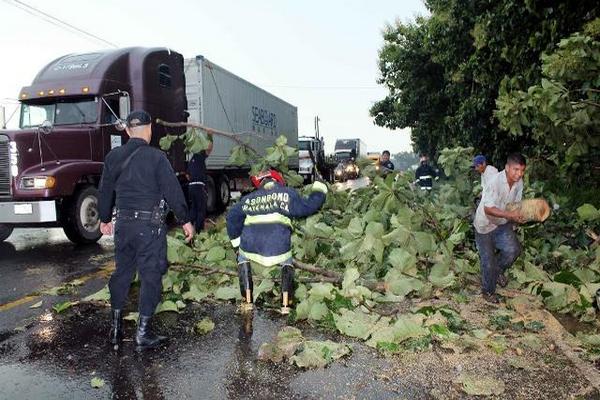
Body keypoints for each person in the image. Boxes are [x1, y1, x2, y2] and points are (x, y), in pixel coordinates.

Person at [98, 110, 195, 350]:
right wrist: (185, 219)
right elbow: (172, 190)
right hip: (148, 228)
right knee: (151, 276)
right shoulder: (156, 157)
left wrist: (104, 218)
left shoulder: (113, 157)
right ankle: (142, 334)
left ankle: (116, 330)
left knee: (122, 273)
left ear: (128, 131)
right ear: (149, 129)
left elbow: (105, 190)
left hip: (123, 226)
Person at [226, 169, 327, 314]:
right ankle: (286, 304)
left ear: (260, 184)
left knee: (242, 257)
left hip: (251, 249)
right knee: (287, 261)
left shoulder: (248, 199)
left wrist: (237, 246)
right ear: (278, 181)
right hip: (279, 250)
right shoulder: (287, 194)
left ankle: (247, 301)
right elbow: (309, 206)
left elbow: (231, 219)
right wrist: (320, 187)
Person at [473, 153, 526, 303]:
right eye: (516, 170)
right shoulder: (494, 181)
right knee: (488, 261)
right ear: (507, 168)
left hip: (502, 223)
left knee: (514, 250)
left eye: (522, 170)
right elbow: (488, 209)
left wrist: (517, 218)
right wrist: (510, 215)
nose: (519, 174)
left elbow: (515, 204)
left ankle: (496, 272)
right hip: (484, 225)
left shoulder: (519, 182)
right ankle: (488, 292)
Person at [187, 134, 214, 231]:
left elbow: (188, 175)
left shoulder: (192, 160)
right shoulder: (200, 155)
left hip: (191, 187)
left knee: (194, 209)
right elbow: (209, 148)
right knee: (201, 210)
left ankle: (188, 229)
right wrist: (210, 136)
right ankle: (198, 232)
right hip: (199, 186)